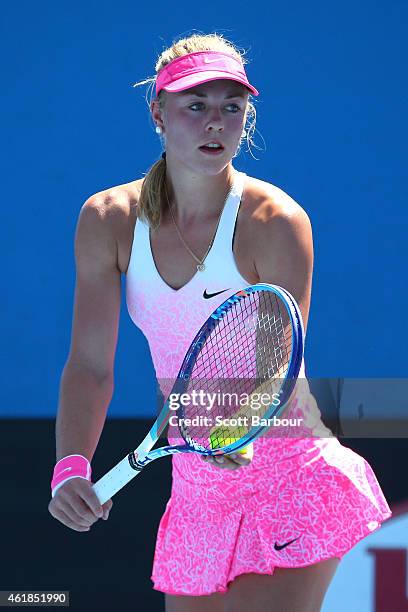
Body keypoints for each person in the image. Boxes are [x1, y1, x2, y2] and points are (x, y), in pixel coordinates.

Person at [48, 33, 392, 612]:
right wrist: (71, 464)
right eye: (196, 105)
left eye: (231, 107)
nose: (216, 123)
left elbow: (269, 369)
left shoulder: (275, 221)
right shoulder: (106, 220)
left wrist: (229, 426)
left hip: (289, 479)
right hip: (196, 492)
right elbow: (88, 364)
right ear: (157, 113)